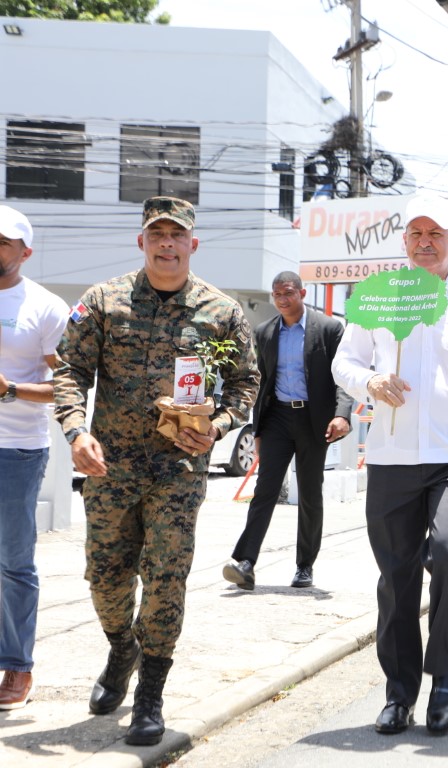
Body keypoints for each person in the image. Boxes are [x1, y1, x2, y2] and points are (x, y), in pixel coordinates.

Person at [54, 197, 259, 745]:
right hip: (111, 465)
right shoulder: (103, 301)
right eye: (156, 234)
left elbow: (245, 384)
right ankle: (122, 649)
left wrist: (216, 426)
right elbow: (70, 371)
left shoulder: (222, 311)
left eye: (176, 235)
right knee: (105, 575)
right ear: (140, 241)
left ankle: (151, 694)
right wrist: (77, 433)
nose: (166, 243)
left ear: (193, 244)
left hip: (178, 466)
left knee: (167, 575)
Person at [331, 193, 448, 736]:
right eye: (416, 235)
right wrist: (370, 382)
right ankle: (399, 692)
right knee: (397, 577)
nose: (426, 243)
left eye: (436, 234)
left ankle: (445, 677)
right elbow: (345, 360)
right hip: (390, 455)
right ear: (405, 243)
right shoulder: (377, 295)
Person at [222, 271, 353, 591]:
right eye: (277, 294)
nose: (282, 299)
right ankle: (246, 562)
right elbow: (260, 385)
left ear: (303, 293)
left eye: (288, 293)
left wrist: (342, 415)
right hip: (278, 418)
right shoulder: (265, 332)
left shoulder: (329, 328)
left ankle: (304, 566)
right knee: (264, 489)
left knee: (309, 493)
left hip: (314, 420)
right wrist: (259, 432)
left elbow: (344, 376)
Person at [0, 206, 69, 710]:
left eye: (3, 242)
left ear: (25, 251)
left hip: (16, 451)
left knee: (11, 563)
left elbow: (64, 383)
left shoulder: (45, 307)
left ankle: (17, 667)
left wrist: (8, 391)